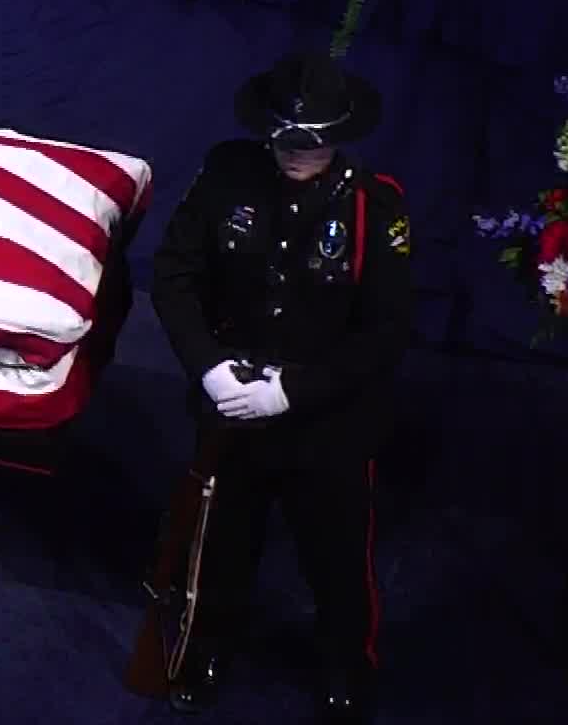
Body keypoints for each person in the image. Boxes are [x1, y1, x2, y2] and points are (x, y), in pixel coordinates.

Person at [150, 52, 414, 724]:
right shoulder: (227, 176)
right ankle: (206, 650)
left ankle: (345, 664)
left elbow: (385, 333)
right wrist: (208, 367)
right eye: (289, 139)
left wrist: (293, 390)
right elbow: (175, 276)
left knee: (336, 553)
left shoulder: (373, 205)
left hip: (327, 419)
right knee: (221, 543)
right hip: (234, 405)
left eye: (315, 141)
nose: (300, 153)